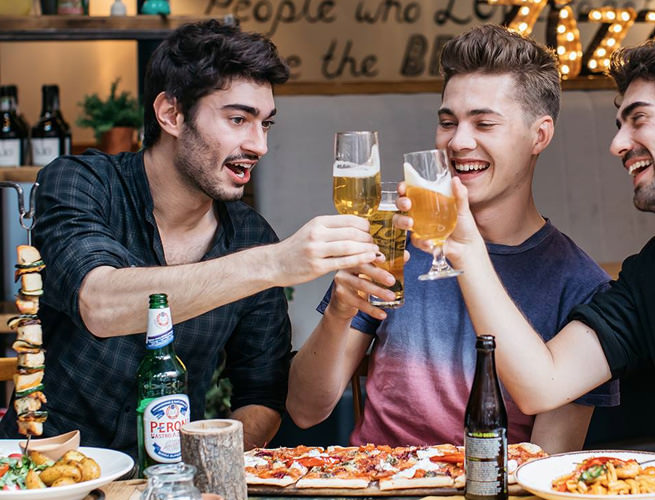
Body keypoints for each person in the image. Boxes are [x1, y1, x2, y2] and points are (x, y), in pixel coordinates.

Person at [405, 35, 655, 500]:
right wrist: (467, 250)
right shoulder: (653, 273)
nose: (617, 144)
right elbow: (541, 384)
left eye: (639, 119)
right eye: (619, 125)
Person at [0, 20, 380, 460]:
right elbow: (99, 305)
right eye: (238, 119)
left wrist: (203, 468)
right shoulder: (81, 182)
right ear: (171, 114)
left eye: (265, 124)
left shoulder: (252, 236)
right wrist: (274, 263)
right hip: (43, 470)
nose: (259, 145)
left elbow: (262, 395)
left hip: (175, 477)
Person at [287, 24, 618, 453]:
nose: (458, 141)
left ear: (539, 135)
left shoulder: (581, 286)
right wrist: (338, 311)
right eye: (448, 122)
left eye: (484, 123)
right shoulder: (395, 241)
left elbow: (545, 467)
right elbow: (304, 411)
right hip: (374, 479)